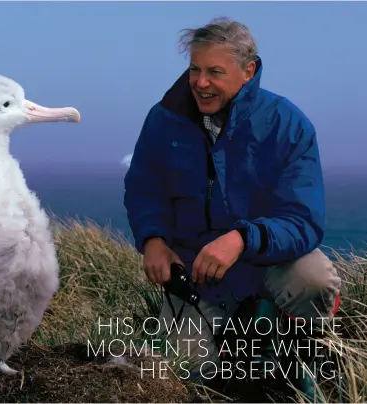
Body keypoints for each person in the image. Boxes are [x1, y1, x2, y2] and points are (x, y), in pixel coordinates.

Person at [123, 16, 342, 399]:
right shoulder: (164, 121)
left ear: (248, 71)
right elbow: (144, 188)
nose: (200, 82)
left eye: (214, 72)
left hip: (266, 263)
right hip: (197, 277)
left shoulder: (287, 124)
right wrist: (153, 239)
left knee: (315, 279)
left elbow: (304, 219)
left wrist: (243, 238)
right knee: (182, 374)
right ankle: (236, 341)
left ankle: (296, 349)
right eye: (195, 69)